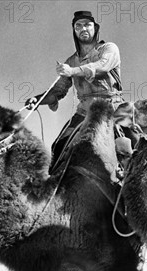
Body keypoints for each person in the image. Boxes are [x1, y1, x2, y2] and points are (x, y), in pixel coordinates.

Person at [25, 10, 124, 169]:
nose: (83, 29)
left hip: (112, 107)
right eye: (78, 26)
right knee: (58, 147)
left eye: (87, 25)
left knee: (127, 146)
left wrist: (72, 71)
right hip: (84, 112)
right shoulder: (71, 61)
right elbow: (58, 91)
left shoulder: (108, 48)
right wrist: (38, 99)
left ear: (95, 28)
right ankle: (55, 187)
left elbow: (102, 66)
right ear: (74, 31)